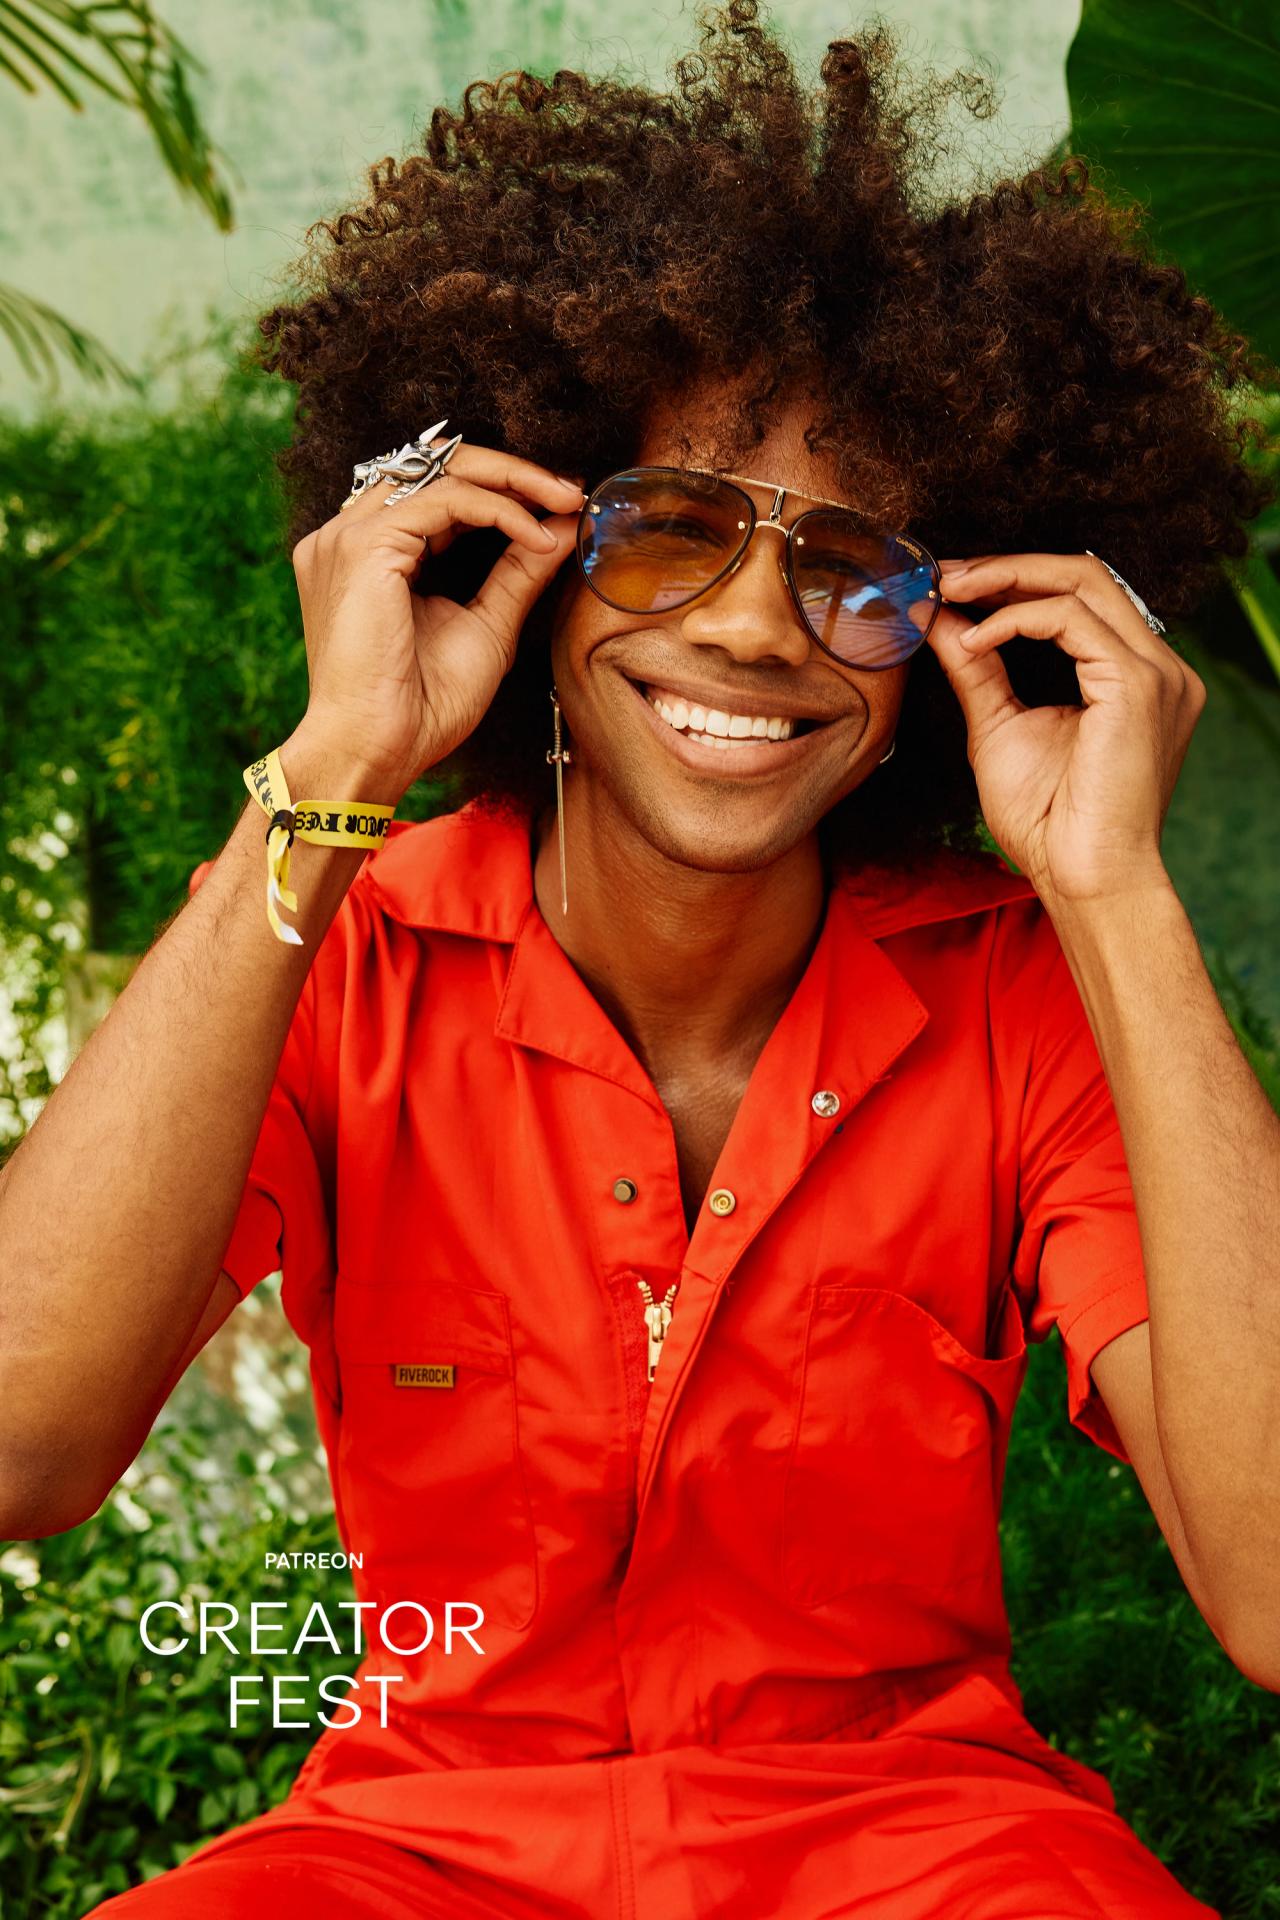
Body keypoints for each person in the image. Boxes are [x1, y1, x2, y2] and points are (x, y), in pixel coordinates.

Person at [1, 4, 1276, 1915]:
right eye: (668, 529)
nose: (759, 626)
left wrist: (1113, 890)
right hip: (415, 1850)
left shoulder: (1026, 990)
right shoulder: (332, 945)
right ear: (519, 551)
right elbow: (18, 1449)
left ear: (943, 634)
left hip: (928, 1860)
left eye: (857, 570)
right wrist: (337, 766)